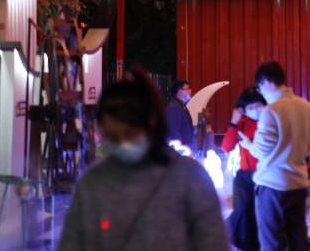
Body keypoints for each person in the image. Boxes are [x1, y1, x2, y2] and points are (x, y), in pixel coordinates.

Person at [58, 69, 228, 251]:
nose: (123, 143)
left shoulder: (190, 178)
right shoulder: (93, 182)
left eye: (129, 133)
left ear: (152, 121)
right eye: (113, 137)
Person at [244, 61, 310, 251]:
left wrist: (248, 144)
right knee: (298, 241)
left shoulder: (271, 110)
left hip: (272, 185)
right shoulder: (305, 106)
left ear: (268, 83)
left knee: (271, 243)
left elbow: (262, 150)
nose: (261, 92)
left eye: (260, 87)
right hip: (299, 183)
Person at [222, 87, 267, 251]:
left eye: (257, 105)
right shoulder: (242, 124)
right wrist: (233, 122)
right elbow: (227, 147)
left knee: (261, 216)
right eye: (250, 107)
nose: (254, 110)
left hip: (266, 176)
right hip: (244, 177)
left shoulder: (271, 123)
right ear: (244, 109)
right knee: (241, 211)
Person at [165, 79, 195, 147]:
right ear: (180, 92)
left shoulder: (181, 105)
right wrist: (179, 148)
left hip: (187, 146)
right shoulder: (174, 106)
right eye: (188, 89)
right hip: (182, 148)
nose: (190, 91)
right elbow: (174, 129)